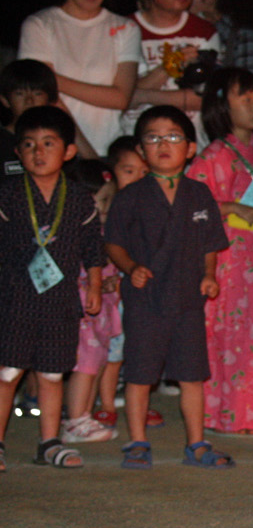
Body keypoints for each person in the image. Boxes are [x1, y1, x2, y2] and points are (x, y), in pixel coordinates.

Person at [103, 105, 232, 470]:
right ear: (141, 150)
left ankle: (197, 442)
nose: (164, 144)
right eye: (153, 138)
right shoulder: (130, 195)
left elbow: (210, 244)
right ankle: (138, 441)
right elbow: (113, 242)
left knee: (192, 374)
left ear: (190, 148)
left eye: (174, 136)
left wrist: (209, 275)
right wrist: (130, 268)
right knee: (141, 374)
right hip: (145, 299)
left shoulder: (199, 194)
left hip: (187, 299)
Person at [0, 106, 104, 470]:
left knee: (52, 372)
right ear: (17, 152)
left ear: (69, 151)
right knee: (8, 372)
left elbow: (93, 246)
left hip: (60, 302)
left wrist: (93, 285)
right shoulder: (9, 195)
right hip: (15, 298)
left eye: (48, 143)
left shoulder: (78, 198)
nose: (38, 152)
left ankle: (49, 442)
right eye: (28, 145)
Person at [190, 68, 253, 435]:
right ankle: (224, 413)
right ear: (221, 106)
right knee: (228, 336)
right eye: (244, 99)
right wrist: (230, 208)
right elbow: (192, 208)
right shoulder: (212, 155)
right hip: (228, 260)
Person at [19, 0, 139, 157]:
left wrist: (53, 79)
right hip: (54, 153)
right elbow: (44, 97)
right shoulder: (40, 25)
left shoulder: (125, 28)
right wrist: (87, 156)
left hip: (110, 149)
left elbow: (120, 98)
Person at [77, 140, 147, 432]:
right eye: (129, 170)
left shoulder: (123, 219)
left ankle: (101, 407)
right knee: (90, 361)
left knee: (113, 356)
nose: (101, 208)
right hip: (88, 304)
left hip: (115, 304)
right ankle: (84, 414)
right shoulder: (86, 229)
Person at [122, 0, 220, 137]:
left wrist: (142, 95)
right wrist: (169, 66)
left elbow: (206, 99)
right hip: (136, 144)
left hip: (192, 143)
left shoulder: (204, 31)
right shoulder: (125, 30)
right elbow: (122, 95)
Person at [60, 157, 121, 445]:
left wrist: (111, 282)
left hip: (101, 310)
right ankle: (75, 420)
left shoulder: (106, 232)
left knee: (94, 363)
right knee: (84, 363)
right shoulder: (73, 233)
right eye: (97, 201)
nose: (104, 208)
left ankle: (83, 413)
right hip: (82, 310)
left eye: (109, 199)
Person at [1, 60, 61, 176]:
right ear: (5, 100)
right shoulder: (3, 142)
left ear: (51, 100)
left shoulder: (58, 140)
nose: (29, 101)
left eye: (37, 93)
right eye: (20, 93)